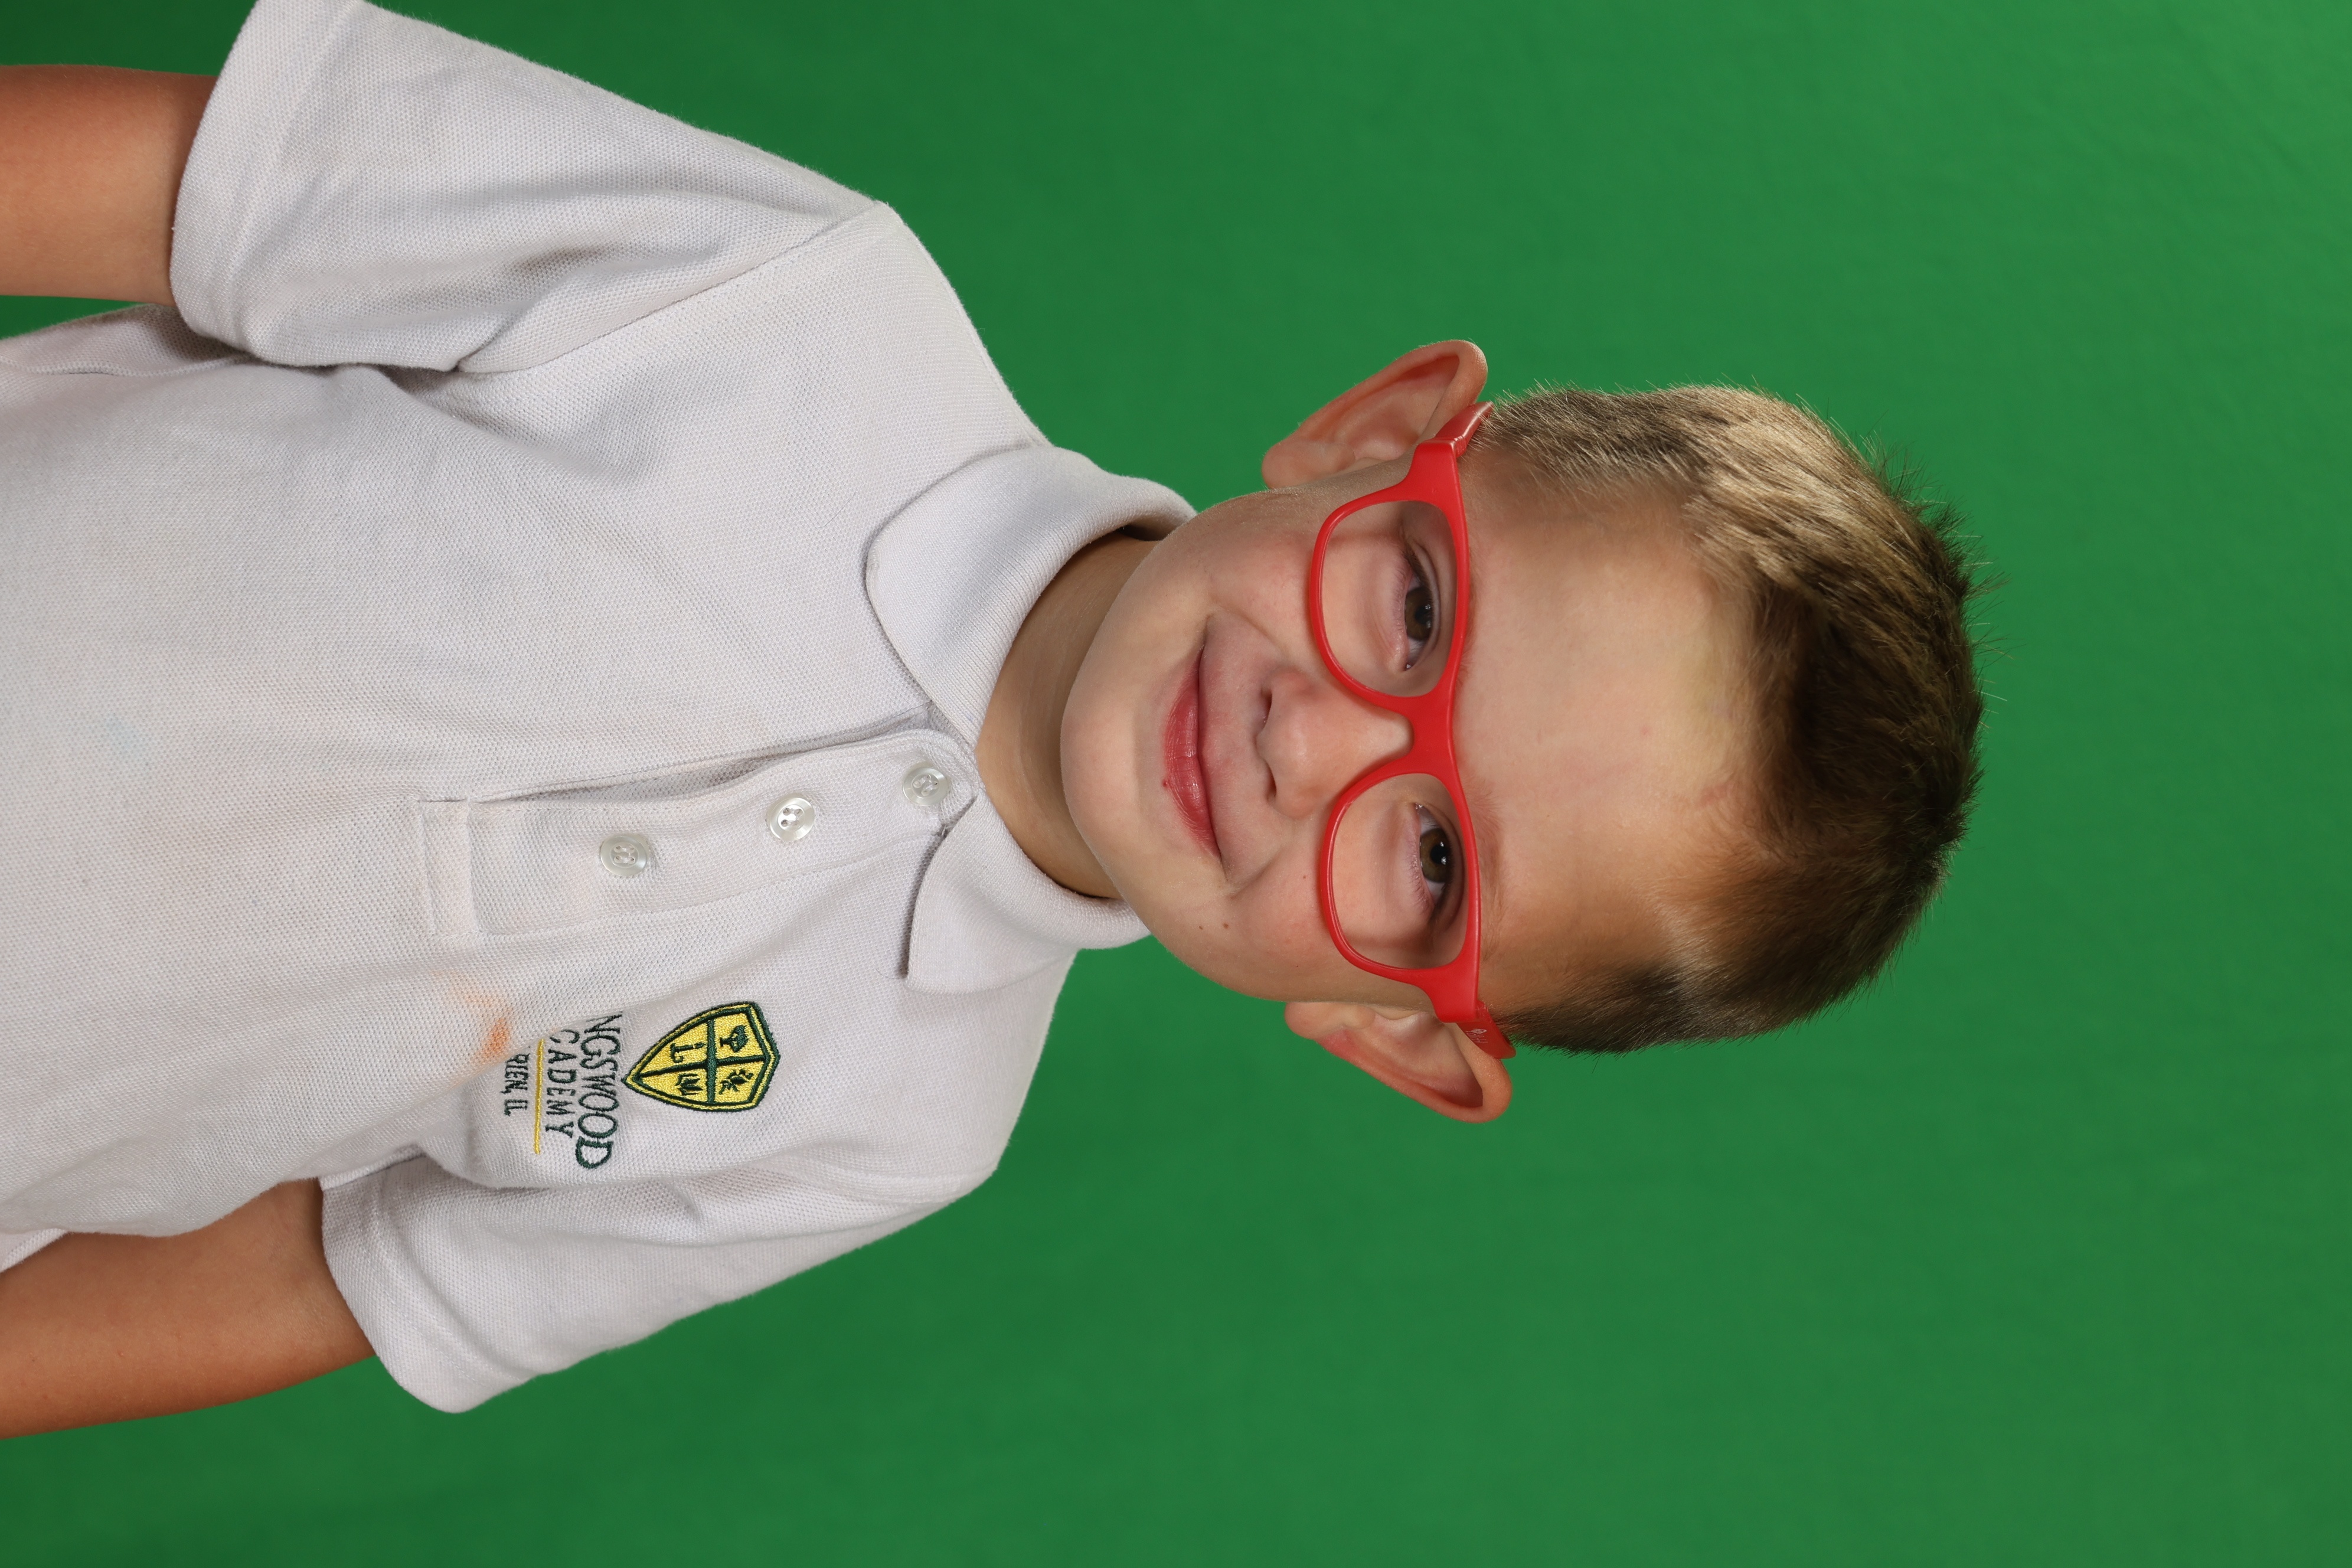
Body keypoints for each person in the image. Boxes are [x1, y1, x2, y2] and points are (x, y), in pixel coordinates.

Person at [0, 0, 1982, 1435]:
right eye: (1418, 611)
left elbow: (326, 1272)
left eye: (1441, 855)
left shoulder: (888, 1129)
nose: (1318, 743)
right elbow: (183, 194)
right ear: (1373, 437)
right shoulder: (788, 307)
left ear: (1395, 1025)